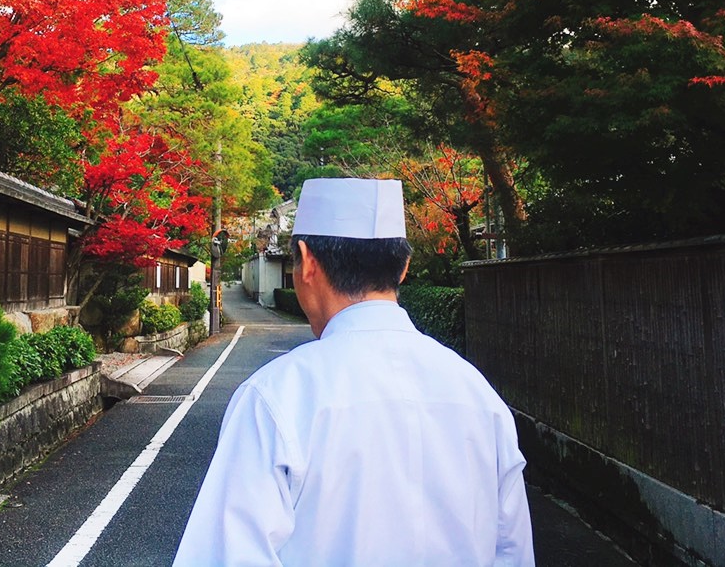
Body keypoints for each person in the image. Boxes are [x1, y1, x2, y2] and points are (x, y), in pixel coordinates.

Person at [173, 177, 534, 567]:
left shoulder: (276, 396)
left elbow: (226, 555)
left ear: (307, 261)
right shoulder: (478, 395)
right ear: (404, 267)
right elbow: (512, 552)